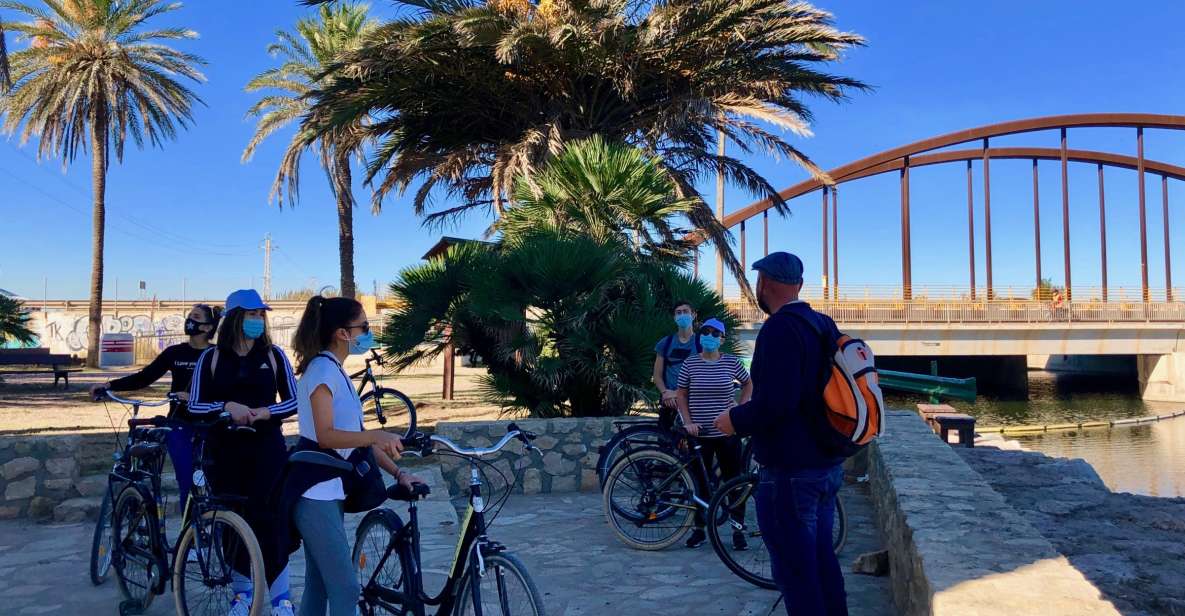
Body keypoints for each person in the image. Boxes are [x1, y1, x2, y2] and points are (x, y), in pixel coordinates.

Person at [714, 252, 848, 616]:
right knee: (821, 564)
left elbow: (777, 404)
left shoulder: (778, 329)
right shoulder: (823, 324)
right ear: (799, 285)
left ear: (764, 284)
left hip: (790, 472)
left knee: (795, 574)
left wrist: (734, 421)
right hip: (826, 465)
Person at [288, 296, 422, 616]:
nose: (367, 332)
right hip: (313, 492)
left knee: (319, 583)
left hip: (329, 490)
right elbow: (326, 435)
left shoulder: (335, 371)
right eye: (363, 326)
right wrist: (376, 434)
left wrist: (399, 474)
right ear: (342, 333)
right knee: (346, 588)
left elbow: (358, 443)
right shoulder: (322, 370)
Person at [188, 289, 298, 616]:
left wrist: (266, 412)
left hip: (268, 451)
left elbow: (293, 401)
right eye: (251, 315)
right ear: (235, 317)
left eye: (260, 315)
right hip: (224, 454)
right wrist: (226, 406)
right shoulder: (211, 358)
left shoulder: (274, 356)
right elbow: (194, 405)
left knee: (273, 523)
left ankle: (281, 599)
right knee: (232, 523)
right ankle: (242, 595)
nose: (258, 321)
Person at [90, 303, 222, 505]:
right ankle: (191, 531)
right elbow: (145, 377)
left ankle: (217, 527)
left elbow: (227, 389)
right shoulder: (174, 353)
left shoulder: (218, 354)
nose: (189, 321)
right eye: (189, 316)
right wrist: (109, 385)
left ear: (206, 327)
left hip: (211, 424)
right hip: (179, 424)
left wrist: (196, 399)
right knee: (186, 479)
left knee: (212, 480)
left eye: (195, 317)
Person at [674, 317, 752, 549]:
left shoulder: (731, 362)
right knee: (700, 484)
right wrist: (687, 422)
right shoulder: (690, 364)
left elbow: (749, 384)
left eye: (714, 333)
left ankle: (738, 531)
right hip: (699, 434)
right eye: (705, 332)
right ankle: (699, 530)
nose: (709, 336)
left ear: (722, 339)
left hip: (728, 434)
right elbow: (680, 395)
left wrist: (740, 409)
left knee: (734, 483)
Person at [652, 300, 701, 426]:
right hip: (670, 403)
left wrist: (677, 394)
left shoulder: (701, 344)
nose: (682, 315)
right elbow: (657, 376)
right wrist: (665, 393)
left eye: (685, 311)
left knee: (694, 443)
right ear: (674, 317)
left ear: (694, 315)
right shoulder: (665, 343)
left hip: (694, 404)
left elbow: (704, 376)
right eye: (678, 313)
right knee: (664, 442)